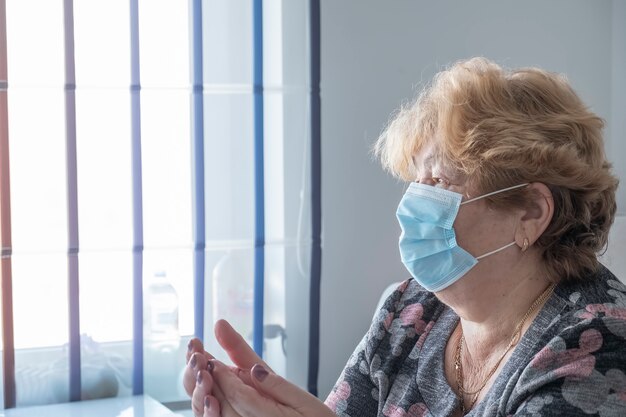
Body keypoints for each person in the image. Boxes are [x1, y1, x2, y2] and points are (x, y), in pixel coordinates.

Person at [183, 57, 626, 416]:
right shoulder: (409, 310)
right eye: (417, 181)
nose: (413, 204)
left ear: (531, 212)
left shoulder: (601, 345)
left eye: (439, 183)